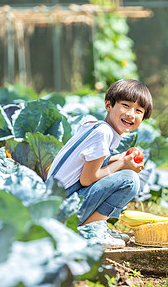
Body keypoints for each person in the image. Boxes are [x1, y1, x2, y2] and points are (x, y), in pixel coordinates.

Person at [47, 79, 153, 249]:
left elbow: (91, 163)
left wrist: (119, 158)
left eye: (138, 110)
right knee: (130, 179)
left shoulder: (97, 127)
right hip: (65, 206)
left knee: (125, 175)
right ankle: (91, 231)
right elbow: (88, 179)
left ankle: (95, 225)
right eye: (125, 105)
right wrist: (122, 165)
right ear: (108, 105)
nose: (131, 114)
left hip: (58, 201)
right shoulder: (104, 134)